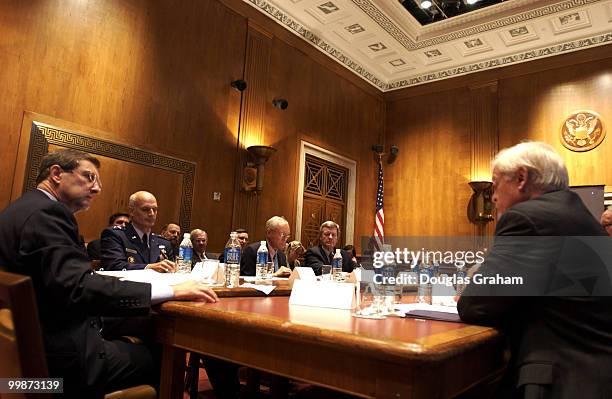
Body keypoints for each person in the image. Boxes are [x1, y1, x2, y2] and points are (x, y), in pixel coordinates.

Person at [0, 149, 218, 397]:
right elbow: (80, 288)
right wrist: (171, 290)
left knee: (144, 323)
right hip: (60, 367)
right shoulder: (49, 214)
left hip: (23, 354)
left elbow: (63, 282)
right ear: (57, 174)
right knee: (162, 356)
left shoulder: (21, 209)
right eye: (89, 177)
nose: (97, 188)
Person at [457, 142, 612, 398]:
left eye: (495, 186)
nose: (493, 198)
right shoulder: (576, 214)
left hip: (565, 378)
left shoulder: (528, 218)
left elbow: (474, 306)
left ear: (521, 178)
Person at [100, 191, 176, 272]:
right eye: (146, 209)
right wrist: (149, 267)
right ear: (131, 211)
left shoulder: (164, 243)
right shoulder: (115, 235)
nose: (152, 214)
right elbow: (114, 266)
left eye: (155, 209)